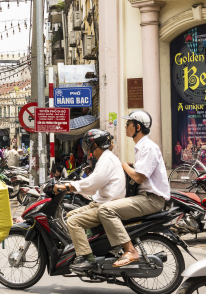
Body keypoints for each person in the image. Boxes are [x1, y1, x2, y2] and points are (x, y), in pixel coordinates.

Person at [97, 110, 170, 268]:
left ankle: (130, 250)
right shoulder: (141, 147)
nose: (125, 127)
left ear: (137, 127)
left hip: (151, 200)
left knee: (105, 210)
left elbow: (139, 177)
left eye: (128, 124)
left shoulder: (148, 147)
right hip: (144, 197)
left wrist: (124, 165)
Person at [53, 129, 126, 271]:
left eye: (88, 145)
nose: (87, 149)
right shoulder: (104, 158)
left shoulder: (106, 159)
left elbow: (93, 183)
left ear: (94, 146)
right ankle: (88, 246)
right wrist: (73, 185)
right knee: (70, 215)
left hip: (107, 205)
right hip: (102, 201)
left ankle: (88, 258)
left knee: (73, 222)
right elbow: (93, 186)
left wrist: (67, 186)